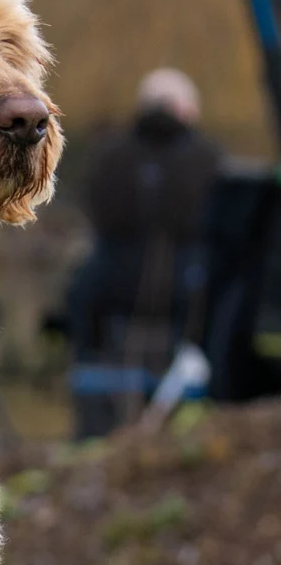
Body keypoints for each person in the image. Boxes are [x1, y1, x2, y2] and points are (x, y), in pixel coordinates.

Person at [65, 69, 222, 438]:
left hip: (108, 303)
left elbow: (95, 212)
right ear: (184, 108)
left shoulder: (109, 156)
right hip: (187, 308)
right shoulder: (210, 159)